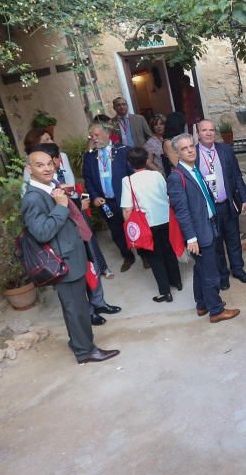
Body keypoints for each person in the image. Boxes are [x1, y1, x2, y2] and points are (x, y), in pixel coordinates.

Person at [21, 146, 120, 364]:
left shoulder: (49, 188)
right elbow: (41, 232)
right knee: (77, 309)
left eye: (49, 163)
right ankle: (85, 351)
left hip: (70, 256)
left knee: (73, 307)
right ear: (29, 170)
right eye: (40, 165)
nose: (47, 168)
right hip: (63, 261)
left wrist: (62, 198)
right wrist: (62, 206)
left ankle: (78, 342)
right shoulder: (33, 198)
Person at [166, 134, 240, 323]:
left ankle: (202, 304)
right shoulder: (177, 177)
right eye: (184, 148)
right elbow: (181, 211)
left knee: (200, 269)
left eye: (191, 146)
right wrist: (191, 238)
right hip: (199, 231)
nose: (190, 150)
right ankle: (216, 311)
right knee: (210, 272)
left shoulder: (194, 169)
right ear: (177, 153)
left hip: (209, 224)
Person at [195, 119, 246, 290]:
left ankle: (238, 269)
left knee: (234, 239)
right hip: (209, 209)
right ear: (198, 133)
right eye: (204, 130)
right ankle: (223, 275)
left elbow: (236, 175)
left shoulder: (225, 150)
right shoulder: (194, 154)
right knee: (217, 243)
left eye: (211, 130)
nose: (208, 133)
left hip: (227, 204)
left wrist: (245, 197)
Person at [121, 147, 183, 303]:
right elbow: (166, 194)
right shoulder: (157, 175)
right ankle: (177, 282)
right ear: (147, 160)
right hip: (165, 218)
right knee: (169, 251)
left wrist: (129, 226)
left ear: (129, 163)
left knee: (155, 258)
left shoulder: (127, 181)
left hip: (147, 223)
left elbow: (127, 209)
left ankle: (165, 292)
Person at [82, 123, 137, 272]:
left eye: (97, 135)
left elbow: (133, 174)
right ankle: (127, 256)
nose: (94, 139)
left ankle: (145, 255)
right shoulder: (89, 156)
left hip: (126, 199)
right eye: (91, 136)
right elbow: (87, 179)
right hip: (106, 202)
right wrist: (94, 197)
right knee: (117, 231)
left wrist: (134, 196)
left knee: (136, 226)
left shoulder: (123, 151)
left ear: (107, 134)